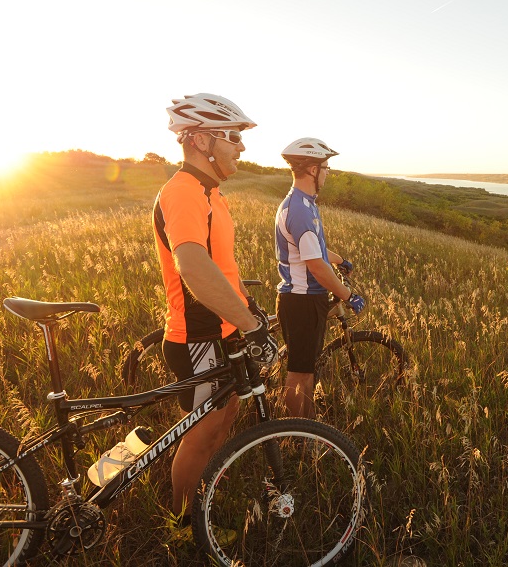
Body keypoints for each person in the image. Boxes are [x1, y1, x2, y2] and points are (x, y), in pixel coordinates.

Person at [154, 93, 277, 521]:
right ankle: (182, 525)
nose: (240, 147)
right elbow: (192, 266)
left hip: (223, 331)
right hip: (197, 335)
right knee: (202, 435)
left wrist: (248, 306)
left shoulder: (210, 193)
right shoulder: (184, 191)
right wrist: (250, 324)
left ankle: (201, 501)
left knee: (225, 419)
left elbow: (221, 265)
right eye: (232, 137)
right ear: (202, 141)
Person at [274, 138, 365, 418]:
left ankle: (307, 425)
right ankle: (295, 434)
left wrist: (340, 260)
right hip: (302, 301)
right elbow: (316, 265)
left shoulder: (304, 203)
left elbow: (316, 249)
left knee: (306, 368)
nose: (328, 173)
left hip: (304, 299)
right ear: (313, 169)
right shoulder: (300, 210)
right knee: (299, 373)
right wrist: (349, 296)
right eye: (326, 167)